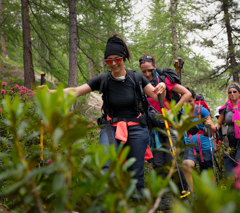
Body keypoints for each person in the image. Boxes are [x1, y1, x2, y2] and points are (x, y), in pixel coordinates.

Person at [39, 34, 166, 193]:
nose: (113, 64)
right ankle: (107, 204)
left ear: (124, 57)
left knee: (136, 172)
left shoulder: (137, 77)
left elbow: (157, 96)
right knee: (106, 166)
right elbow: (76, 91)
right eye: (109, 60)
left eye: (117, 59)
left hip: (137, 128)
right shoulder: (103, 79)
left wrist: (162, 86)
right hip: (110, 127)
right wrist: (50, 92)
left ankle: (136, 205)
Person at [139, 54, 191, 208]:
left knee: (171, 160)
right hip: (153, 129)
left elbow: (186, 93)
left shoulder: (164, 80)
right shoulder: (142, 84)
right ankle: (164, 200)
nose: (147, 74)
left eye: (149, 70)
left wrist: (172, 111)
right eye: (144, 72)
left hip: (169, 126)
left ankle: (184, 194)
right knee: (158, 163)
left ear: (154, 67)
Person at [215, 82, 240, 176]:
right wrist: (211, 127)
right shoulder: (225, 109)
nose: (232, 94)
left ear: (239, 93)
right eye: (230, 92)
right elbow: (218, 123)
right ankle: (234, 187)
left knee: (238, 161)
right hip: (231, 140)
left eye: (234, 91)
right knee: (229, 165)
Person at [182, 87, 216, 193]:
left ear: (195, 98)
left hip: (205, 145)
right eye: (185, 102)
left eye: (190, 101)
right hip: (190, 145)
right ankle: (191, 196)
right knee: (186, 166)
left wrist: (209, 124)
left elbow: (214, 129)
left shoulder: (202, 110)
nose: (188, 104)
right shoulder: (182, 112)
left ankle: (213, 195)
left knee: (207, 173)